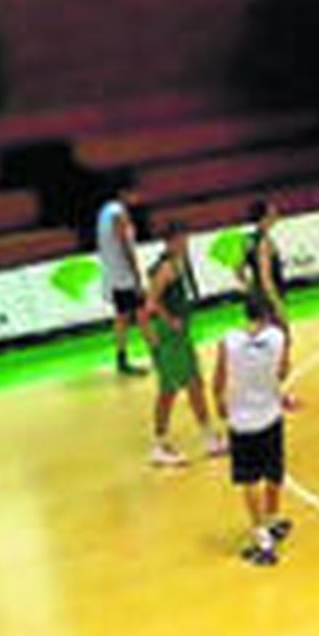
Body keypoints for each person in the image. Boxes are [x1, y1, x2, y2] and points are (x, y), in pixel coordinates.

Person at [213, 291, 292, 565]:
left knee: (249, 479)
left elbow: (219, 381)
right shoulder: (278, 339)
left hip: (242, 421)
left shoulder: (228, 342)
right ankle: (272, 520)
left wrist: (220, 404)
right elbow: (281, 373)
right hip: (270, 415)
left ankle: (262, 538)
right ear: (268, 315)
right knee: (273, 471)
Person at [142, 223, 225, 468]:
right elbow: (150, 302)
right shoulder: (167, 267)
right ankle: (159, 445)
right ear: (171, 241)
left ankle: (208, 437)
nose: (185, 243)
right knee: (169, 390)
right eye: (181, 239)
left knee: (195, 384)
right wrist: (170, 321)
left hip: (177, 336)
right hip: (170, 336)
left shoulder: (174, 264)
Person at [96, 185, 147, 377]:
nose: (137, 198)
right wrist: (136, 274)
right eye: (134, 193)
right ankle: (158, 353)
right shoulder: (119, 214)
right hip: (124, 275)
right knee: (142, 313)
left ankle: (121, 358)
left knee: (122, 318)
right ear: (124, 193)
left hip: (113, 274)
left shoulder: (104, 212)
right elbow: (125, 244)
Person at [242, 199, 290, 344]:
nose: (276, 214)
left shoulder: (248, 240)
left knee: (262, 343)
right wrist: (277, 304)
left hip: (256, 297)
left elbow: (238, 270)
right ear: (264, 217)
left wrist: (251, 289)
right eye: (272, 212)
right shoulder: (264, 242)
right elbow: (266, 277)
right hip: (267, 300)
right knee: (279, 342)